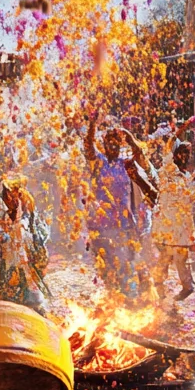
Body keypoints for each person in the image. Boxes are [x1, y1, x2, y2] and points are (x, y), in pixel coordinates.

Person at [83, 113, 139, 294]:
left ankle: (125, 294)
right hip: (102, 222)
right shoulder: (99, 162)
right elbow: (88, 147)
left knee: (125, 259)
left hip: (123, 222)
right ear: (105, 144)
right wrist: (92, 123)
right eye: (110, 142)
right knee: (106, 259)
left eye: (116, 142)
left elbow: (140, 155)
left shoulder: (125, 164)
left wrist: (129, 137)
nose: (113, 145)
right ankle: (111, 293)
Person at [150, 138, 195, 302]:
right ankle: (158, 285)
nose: (185, 156)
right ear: (175, 156)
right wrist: (181, 130)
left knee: (181, 259)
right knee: (163, 257)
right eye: (181, 152)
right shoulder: (166, 172)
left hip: (182, 227)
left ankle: (187, 287)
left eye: (187, 153)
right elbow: (168, 150)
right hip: (164, 225)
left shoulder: (189, 177)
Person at [0, 176, 51, 314]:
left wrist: (19, 230)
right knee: (10, 277)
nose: (8, 197)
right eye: (6, 193)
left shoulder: (25, 205)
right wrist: (1, 235)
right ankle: (13, 302)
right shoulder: (5, 207)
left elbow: (27, 225)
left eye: (10, 192)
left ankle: (33, 304)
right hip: (11, 249)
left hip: (22, 249)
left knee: (26, 276)